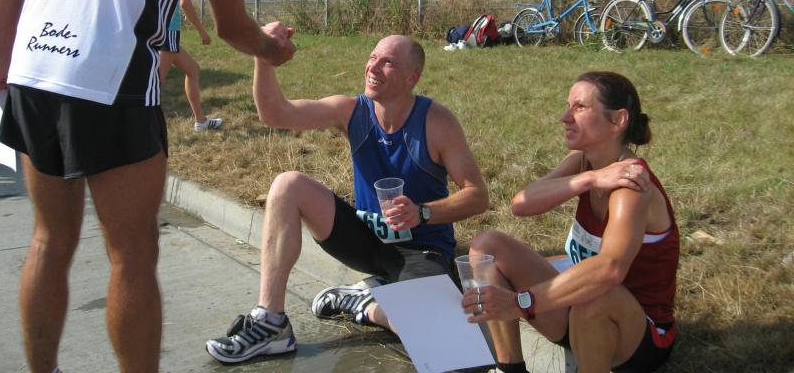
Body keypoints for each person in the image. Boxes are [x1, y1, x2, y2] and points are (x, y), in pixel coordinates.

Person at [0, 0, 296, 373]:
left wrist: (0, 66)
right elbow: (232, 27)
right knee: (132, 253)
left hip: (34, 72)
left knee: (48, 241)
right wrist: (272, 50)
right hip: (111, 80)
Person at [205, 32, 490, 364]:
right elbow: (275, 113)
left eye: (388, 63)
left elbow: (477, 195)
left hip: (420, 250)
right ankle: (271, 322)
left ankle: (365, 305)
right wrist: (262, 53)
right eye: (372, 57)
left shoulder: (436, 122)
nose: (373, 67)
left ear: (412, 78)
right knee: (287, 185)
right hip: (365, 240)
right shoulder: (352, 111)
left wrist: (422, 212)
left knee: (447, 346)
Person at [461, 72, 678, 373]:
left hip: (636, 334)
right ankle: (509, 369)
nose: (564, 117)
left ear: (618, 120)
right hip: (577, 315)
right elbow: (521, 204)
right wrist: (589, 179)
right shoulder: (584, 162)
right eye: (568, 106)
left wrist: (520, 302)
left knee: (595, 292)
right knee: (488, 246)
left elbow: (610, 269)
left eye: (580, 107)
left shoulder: (633, 185)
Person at [158, 0, 222, 132]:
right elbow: (185, 3)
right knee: (154, 84)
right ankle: (140, 129)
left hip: (156, 28)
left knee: (192, 69)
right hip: (168, 31)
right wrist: (202, 31)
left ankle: (200, 121)